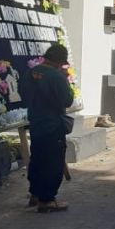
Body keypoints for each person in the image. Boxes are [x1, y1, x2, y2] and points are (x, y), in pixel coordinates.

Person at [23, 44, 74, 213]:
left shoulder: (31, 72)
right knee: (53, 162)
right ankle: (47, 200)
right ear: (59, 61)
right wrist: (65, 79)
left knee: (37, 159)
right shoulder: (57, 76)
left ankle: (35, 194)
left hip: (36, 123)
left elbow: (23, 94)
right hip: (53, 125)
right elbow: (67, 100)